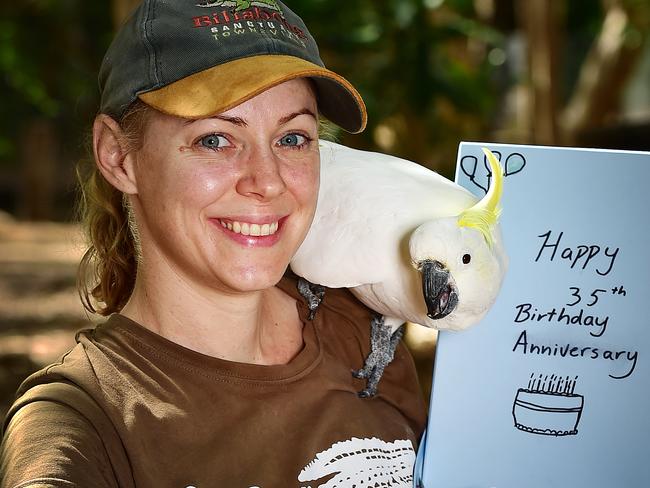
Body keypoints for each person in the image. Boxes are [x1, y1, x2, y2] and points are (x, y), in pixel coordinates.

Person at [0, 1, 426, 486]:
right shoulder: (82, 422)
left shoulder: (366, 335)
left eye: (292, 138)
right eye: (215, 140)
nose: (267, 182)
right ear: (118, 157)